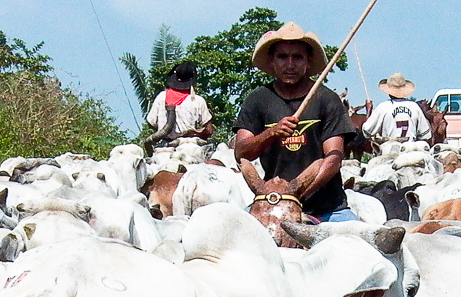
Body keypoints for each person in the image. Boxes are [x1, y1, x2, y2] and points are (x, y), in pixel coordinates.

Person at [234, 22, 359, 222]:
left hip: (327, 209)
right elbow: (241, 152)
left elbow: (334, 158)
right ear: (272, 61)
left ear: (308, 62)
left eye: (297, 57)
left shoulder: (327, 99)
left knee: (360, 239)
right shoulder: (257, 99)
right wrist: (271, 133)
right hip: (272, 203)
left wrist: (296, 195)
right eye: (283, 57)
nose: (290, 64)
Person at [145, 61, 214, 147]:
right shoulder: (198, 100)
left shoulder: (161, 97)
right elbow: (209, 130)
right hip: (188, 147)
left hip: (164, 146)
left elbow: (151, 123)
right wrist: (197, 133)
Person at [362, 73, 432, 142]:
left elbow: (367, 132)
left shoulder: (383, 107)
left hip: (389, 147)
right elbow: (425, 135)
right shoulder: (414, 107)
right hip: (410, 147)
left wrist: (369, 110)